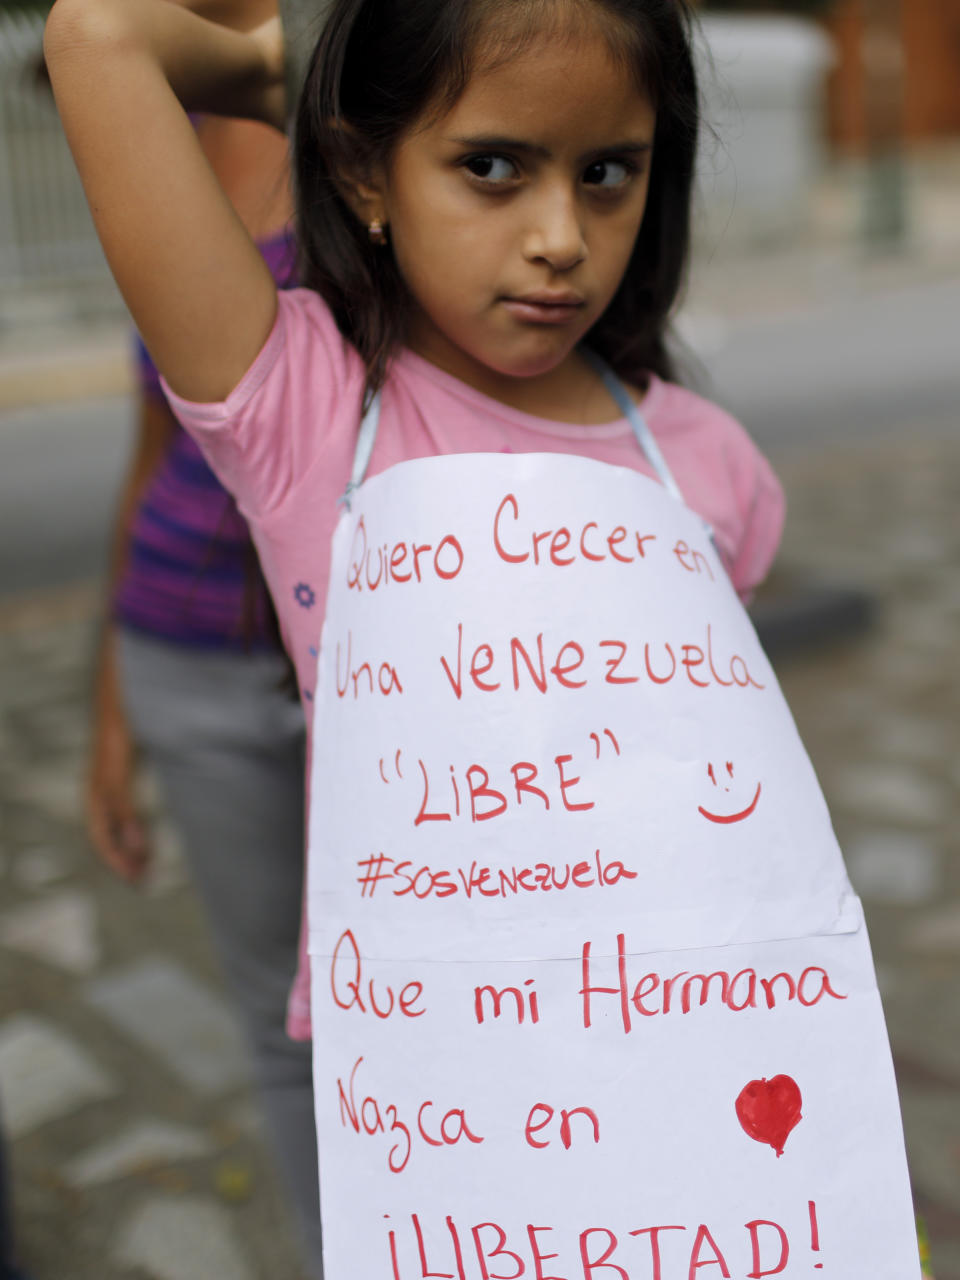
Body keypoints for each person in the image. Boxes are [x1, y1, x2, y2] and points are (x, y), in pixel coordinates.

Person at [46, 0, 789, 1245]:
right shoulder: (308, 415)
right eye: (491, 165)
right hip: (437, 1107)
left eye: (608, 171)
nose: (561, 237)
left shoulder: (712, 467)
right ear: (359, 170)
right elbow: (94, 35)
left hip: (659, 1069)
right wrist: (287, 63)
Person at [81, 18, 322, 1278]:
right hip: (182, 647)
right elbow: (146, 447)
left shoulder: (364, 99)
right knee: (279, 1019)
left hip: (364, 661)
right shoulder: (155, 139)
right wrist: (109, 721)